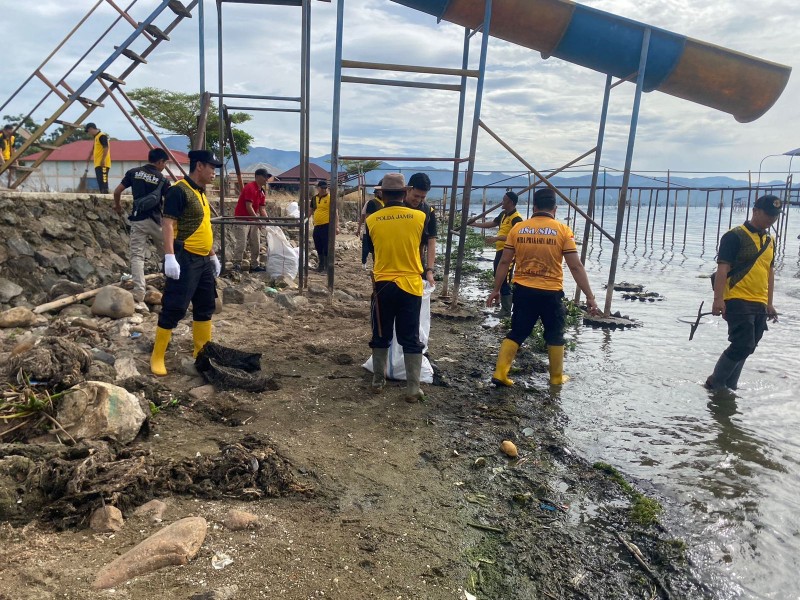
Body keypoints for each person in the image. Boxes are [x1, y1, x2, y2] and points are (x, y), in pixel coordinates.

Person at [487, 188, 599, 386]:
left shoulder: (518, 229)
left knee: (518, 331)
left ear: (534, 206)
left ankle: (500, 373)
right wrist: (589, 296)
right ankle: (556, 378)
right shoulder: (563, 231)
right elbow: (575, 266)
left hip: (523, 290)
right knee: (555, 334)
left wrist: (496, 289)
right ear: (555, 209)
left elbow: (504, 262)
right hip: (551, 293)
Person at [150, 150, 223, 376]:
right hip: (185, 258)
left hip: (202, 261)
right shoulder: (178, 191)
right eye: (212, 167)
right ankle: (157, 356)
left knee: (205, 306)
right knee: (175, 307)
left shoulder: (200, 193)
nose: (214, 173)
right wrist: (170, 256)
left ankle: (201, 353)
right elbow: (168, 224)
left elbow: (203, 227)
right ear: (199, 166)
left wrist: (212, 255)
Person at [705, 194, 781, 391]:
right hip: (737, 298)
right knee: (742, 344)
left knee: (750, 346)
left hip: (759, 300)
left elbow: (769, 272)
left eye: (775, 216)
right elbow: (723, 268)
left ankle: (731, 386)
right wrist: (718, 299)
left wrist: (770, 302)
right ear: (755, 211)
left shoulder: (770, 241)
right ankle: (715, 383)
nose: (771, 219)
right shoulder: (734, 235)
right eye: (768, 214)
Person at [365, 173, 428, 402]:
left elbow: (373, 249)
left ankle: (378, 381)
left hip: (382, 285)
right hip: (410, 285)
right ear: (404, 193)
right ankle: (412, 389)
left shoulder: (372, 220)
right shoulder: (420, 217)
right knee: (410, 336)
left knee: (380, 332)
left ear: (381, 193)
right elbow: (421, 244)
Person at [113, 147, 170, 309]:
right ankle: (172, 286)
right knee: (167, 254)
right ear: (159, 162)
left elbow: (117, 192)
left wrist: (117, 206)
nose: (164, 166)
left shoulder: (133, 172)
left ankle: (139, 292)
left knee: (137, 256)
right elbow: (170, 202)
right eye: (165, 163)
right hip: (157, 222)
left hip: (138, 220)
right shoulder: (163, 180)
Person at [468, 190, 524, 317]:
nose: (501, 202)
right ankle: (500, 300)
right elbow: (492, 223)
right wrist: (475, 224)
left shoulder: (517, 219)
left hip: (509, 252)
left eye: (504, 200)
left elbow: (515, 237)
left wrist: (497, 238)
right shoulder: (504, 214)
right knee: (497, 275)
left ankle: (506, 310)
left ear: (510, 202)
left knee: (505, 278)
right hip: (500, 251)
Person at [232, 168, 271, 272]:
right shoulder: (250, 187)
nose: (266, 180)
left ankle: (254, 264)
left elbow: (262, 208)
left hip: (252, 219)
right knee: (242, 242)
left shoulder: (261, 191)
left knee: (256, 242)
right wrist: (257, 220)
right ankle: (237, 264)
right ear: (258, 176)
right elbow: (248, 206)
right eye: (265, 177)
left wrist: (267, 221)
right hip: (242, 219)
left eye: (267, 177)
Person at [405, 172, 437, 288]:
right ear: (408, 190)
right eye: (416, 196)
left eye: (423, 197)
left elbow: (431, 241)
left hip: (418, 261)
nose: (418, 200)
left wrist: (429, 270)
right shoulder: (398, 207)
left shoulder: (428, 211)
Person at [310, 179, 339, 272]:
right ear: (318, 188)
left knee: (327, 246)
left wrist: (336, 226)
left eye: (325, 188)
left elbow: (335, 213)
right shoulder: (314, 199)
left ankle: (327, 267)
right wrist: (305, 219)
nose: (324, 190)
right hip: (317, 225)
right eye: (322, 188)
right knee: (318, 245)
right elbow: (311, 210)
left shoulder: (331, 198)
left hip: (327, 225)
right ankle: (321, 265)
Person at [356, 183, 383, 270]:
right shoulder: (371, 203)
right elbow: (365, 217)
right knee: (366, 249)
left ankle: (376, 265)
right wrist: (359, 228)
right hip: (369, 230)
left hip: (380, 231)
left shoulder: (385, 203)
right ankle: (364, 263)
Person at [85, 123, 111, 193]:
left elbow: (106, 148)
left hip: (103, 163)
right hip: (97, 163)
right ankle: (102, 194)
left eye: (88, 131)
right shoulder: (96, 137)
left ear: (91, 129)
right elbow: (94, 149)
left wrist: (103, 160)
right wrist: (89, 157)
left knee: (103, 182)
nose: (89, 133)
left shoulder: (102, 136)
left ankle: (106, 196)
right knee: (100, 181)